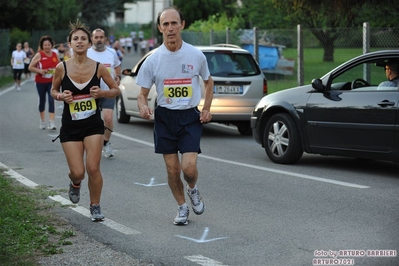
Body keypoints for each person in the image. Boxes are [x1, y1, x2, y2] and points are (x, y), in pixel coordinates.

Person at [136, 6, 214, 226]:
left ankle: (192, 188)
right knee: (172, 169)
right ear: (160, 28)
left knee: (188, 169)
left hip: (189, 116)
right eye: (166, 24)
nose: (170, 28)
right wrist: (143, 107)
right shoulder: (152, 60)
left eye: (174, 23)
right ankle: (181, 207)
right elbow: (141, 94)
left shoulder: (195, 55)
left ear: (182, 25)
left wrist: (206, 107)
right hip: (165, 118)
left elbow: (209, 82)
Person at [50, 20, 120, 222]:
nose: (79, 42)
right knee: (78, 172)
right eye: (75, 39)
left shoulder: (99, 68)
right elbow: (53, 90)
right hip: (70, 127)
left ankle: (95, 205)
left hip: (92, 126)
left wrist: (102, 92)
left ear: (89, 44)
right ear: (70, 43)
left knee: (93, 168)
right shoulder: (61, 68)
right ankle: (75, 183)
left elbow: (115, 90)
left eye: (83, 39)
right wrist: (61, 96)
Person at [87, 28, 122, 158]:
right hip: (91, 93)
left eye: (101, 37)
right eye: (96, 37)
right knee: (91, 121)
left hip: (107, 91)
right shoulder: (87, 53)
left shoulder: (112, 52)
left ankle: (106, 142)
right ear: (92, 39)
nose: (99, 40)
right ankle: (91, 145)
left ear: (105, 39)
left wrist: (118, 76)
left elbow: (117, 66)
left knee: (107, 118)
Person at [29, 36, 59, 130]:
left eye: (48, 45)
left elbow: (59, 67)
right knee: (42, 100)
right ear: (42, 46)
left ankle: (51, 122)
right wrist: (40, 71)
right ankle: (42, 121)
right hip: (40, 82)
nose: (47, 47)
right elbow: (30, 67)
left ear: (52, 45)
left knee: (51, 100)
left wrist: (55, 71)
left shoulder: (55, 54)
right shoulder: (39, 55)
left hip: (52, 81)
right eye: (45, 45)